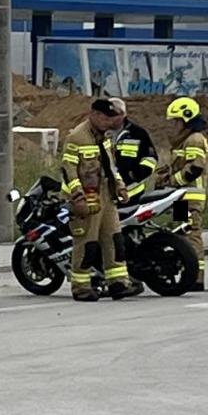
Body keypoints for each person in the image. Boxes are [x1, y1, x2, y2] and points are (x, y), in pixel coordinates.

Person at [60, 97, 138, 302]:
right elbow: (68, 170)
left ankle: (118, 283)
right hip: (86, 195)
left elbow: (110, 165)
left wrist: (120, 185)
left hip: (106, 195)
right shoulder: (77, 137)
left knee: (114, 240)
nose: (109, 122)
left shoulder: (104, 136)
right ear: (93, 115)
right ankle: (81, 287)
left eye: (111, 118)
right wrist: (78, 197)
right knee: (87, 243)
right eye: (105, 117)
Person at [163, 96, 208, 291]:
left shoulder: (194, 139)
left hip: (191, 197)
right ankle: (188, 273)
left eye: (176, 121)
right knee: (181, 234)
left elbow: (195, 168)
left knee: (191, 235)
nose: (174, 125)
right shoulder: (184, 141)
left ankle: (196, 278)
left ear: (187, 119)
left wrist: (173, 181)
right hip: (181, 197)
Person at [110, 99, 161, 203]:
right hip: (107, 193)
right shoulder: (98, 133)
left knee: (187, 216)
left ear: (123, 114)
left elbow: (150, 159)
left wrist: (134, 175)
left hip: (132, 192)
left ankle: (185, 217)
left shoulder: (137, 133)